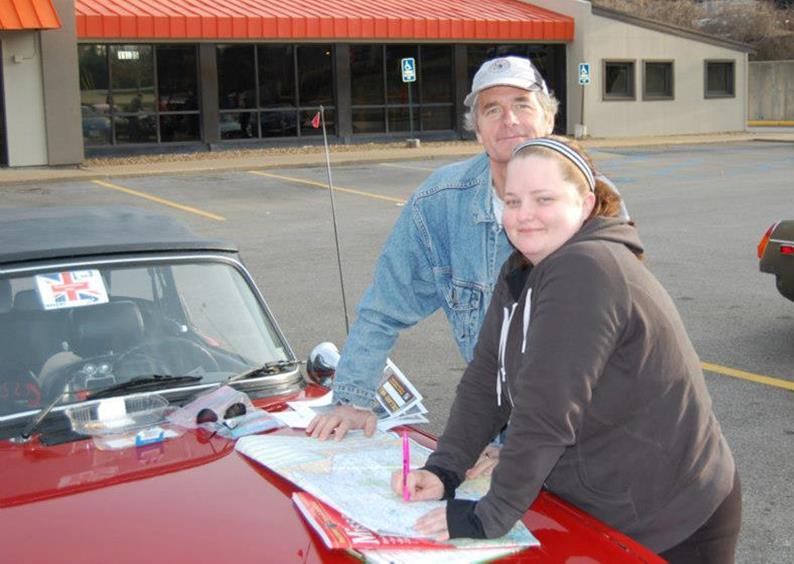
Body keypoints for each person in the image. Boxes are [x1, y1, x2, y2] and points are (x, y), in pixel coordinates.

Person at [392, 137, 741, 562]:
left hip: (669, 518)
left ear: (586, 203)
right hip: (601, 504)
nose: (524, 215)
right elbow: (486, 380)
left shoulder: (586, 269)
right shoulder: (522, 269)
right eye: (512, 201)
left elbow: (546, 412)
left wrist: (487, 517)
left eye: (544, 199)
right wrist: (445, 469)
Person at [307, 56, 558, 442]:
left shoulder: (591, 200)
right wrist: (352, 400)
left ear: (548, 118)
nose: (509, 119)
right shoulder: (440, 202)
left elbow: (606, 347)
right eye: (492, 109)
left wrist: (526, 452)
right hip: (494, 428)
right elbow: (384, 307)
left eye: (522, 104)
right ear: (477, 129)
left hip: (579, 434)